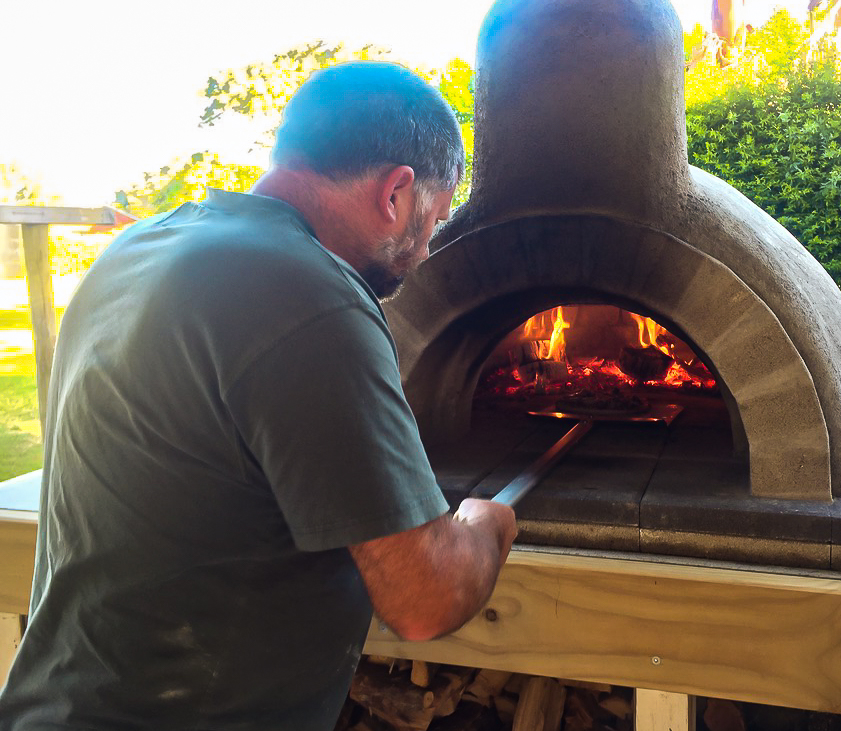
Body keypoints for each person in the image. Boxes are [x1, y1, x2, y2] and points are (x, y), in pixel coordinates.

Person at [0, 61, 517, 731]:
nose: (423, 253)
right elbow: (427, 596)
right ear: (396, 192)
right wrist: (484, 524)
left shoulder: (136, 247)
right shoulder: (311, 294)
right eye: (434, 219)